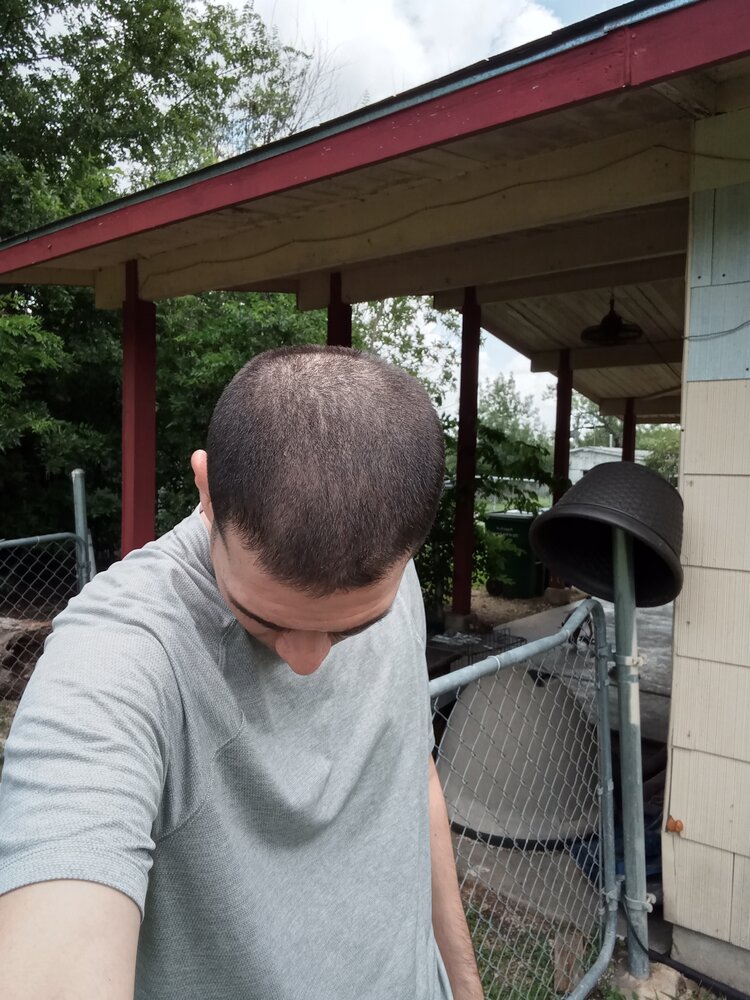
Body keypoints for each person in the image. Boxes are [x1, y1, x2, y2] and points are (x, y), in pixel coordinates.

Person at [0, 346, 483, 1000]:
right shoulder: (120, 654)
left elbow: (412, 776)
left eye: (351, 627)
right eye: (264, 617)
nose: (308, 660)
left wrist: (465, 986)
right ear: (205, 490)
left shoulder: (388, 565)